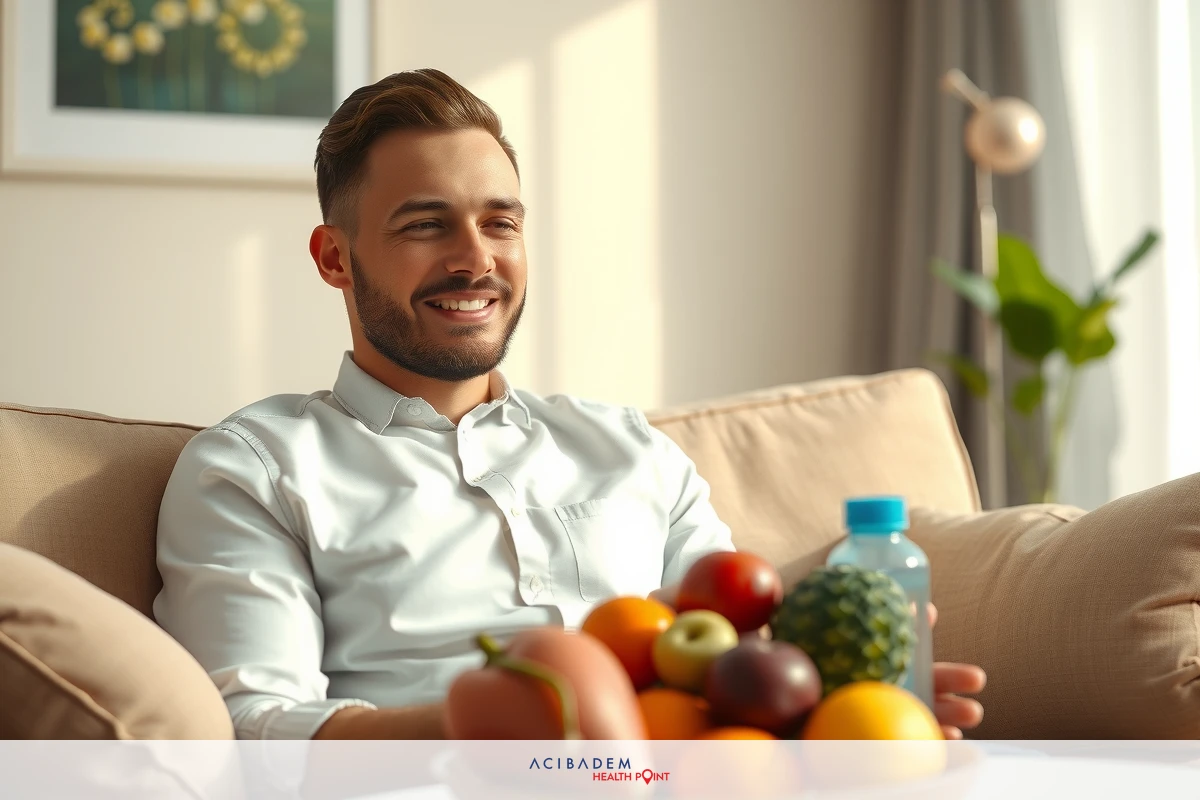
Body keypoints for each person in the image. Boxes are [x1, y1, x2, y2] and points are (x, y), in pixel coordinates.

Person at [153, 68, 986, 742]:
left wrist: (845, 711)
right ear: (335, 258)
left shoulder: (630, 449)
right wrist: (488, 729)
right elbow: (252, 729)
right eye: (424, 225)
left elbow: (728, 659)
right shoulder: (256, 468)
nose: (475, 260)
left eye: (500, 222)